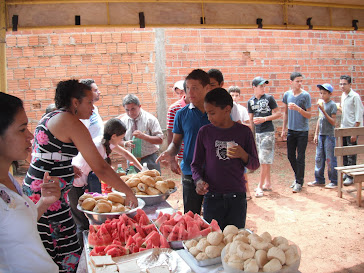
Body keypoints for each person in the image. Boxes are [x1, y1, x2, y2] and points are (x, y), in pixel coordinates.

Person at [23, 80, 137, 272]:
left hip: (39, 190)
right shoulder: (70, 121)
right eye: (90, 102)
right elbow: (100, 167)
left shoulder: (51, 116)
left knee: (52, 249)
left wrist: (65, 168)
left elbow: (38, 156)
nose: (93, 108)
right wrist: (128, 191)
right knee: (66, 251)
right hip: (49, 198)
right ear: (75, 102)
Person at [0, 93, 60, 273]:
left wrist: (43, 202)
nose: (30, 135)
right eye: (21, 129)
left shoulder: (8, 178)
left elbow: (15, 225)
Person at [191, 88, 260, 230]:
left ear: (227, 109)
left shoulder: (244, 132)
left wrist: (243, 155)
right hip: (212, 197)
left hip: (237, 198)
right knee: (213, 238)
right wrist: (198, 181)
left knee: (235, 241)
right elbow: (196, 164)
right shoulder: (205, 132)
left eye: (212, 113)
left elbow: (254, 164)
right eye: (207, 113)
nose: (209, 117)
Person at [69, 118, 143, 246]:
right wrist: (127, 191)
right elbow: (104, 172)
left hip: (84, 183)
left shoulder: (107, 142)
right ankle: (83, 253)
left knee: (87, 221)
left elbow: (126, 154)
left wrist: (142, 170)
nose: (121, 141)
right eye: (121, 138)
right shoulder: (98, 146)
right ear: (114, 136)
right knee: (81, 223)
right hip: (75, 184)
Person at [156, 69, 211, 214]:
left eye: (195, 88)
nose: (190, 92)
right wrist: (169, 153)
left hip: (215, 171)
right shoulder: (181, 114)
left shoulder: (216, 112)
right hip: (190, 171)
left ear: (207, 88)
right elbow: (176, 143)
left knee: (213, 216)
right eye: (187, 88)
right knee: (191, 216)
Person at [248, 77, 281, 197]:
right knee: (264, 159)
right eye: (261, 86)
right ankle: (268, 183)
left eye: (264, 86)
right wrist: (251, 135)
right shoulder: (250, 101)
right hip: (258, 133)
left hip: (268, 132)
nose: (263, 88)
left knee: (263, 159)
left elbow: (278, 113)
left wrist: (265, 118)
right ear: (254, 87)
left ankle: (260, 186)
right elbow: (251, 120)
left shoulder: (269, 98)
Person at [281, 72, 312, 193]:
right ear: (291, 82)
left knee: (301, 157)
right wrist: (284, 128)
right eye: (297, 81)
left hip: (302, 131)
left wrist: (298, 109)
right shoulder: (287, 95)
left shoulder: (306, 96)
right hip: (291, 130)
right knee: (290, 155)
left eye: (301, 81)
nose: (300, 83)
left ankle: (299, 181)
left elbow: (309, 115)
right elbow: (285, 113)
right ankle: (298, 177)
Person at [119, 94, 164, 172]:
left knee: (153, 182)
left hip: (149, 159)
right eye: (127, 110)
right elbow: (117, 140)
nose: (130, 113)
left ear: (139, 106)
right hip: (131, 160)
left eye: (133, 109)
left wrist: (144, 136)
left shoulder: (150, 119)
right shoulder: (123, 121)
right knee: (134, 183)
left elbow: (160, 140)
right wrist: (125, 143)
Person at [308, 84, 338, 189]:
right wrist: (316, 134)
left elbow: (333, 122)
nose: (322, 95)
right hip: (321, 135)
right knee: (319, 158)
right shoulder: (321, 104)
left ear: (330, 94)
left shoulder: (332, 105)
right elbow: (319, 119)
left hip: (329, 135)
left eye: (324, 93)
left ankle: (334, 180)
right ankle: (319, 179)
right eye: (321, 93)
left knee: (330, 158)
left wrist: (324, 111)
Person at [78, 79, 104, 193]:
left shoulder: (94, 110)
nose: (99, 92)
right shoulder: (80, 114)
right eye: (95, 90)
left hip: (96, 162)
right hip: (85, 165)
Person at [338, 75, 364, 186]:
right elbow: (345, 112)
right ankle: (346, 172)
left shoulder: (355, 96)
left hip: (352, 128)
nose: (342, 86)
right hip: (344, 128)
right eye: (341, 84)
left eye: (344, 84)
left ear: (350, 85)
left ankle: (351, 176)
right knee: (344, 152)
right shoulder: (343, 96)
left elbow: (359, 114)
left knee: (351, 152)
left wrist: (354, 131)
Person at [167, 80, 189, 165]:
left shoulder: (200, 106)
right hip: (182, 154)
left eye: (182, 92)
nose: (180, 95)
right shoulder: (174, 108)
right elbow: (170, 133)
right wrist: (172, 158)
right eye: (178, 93)